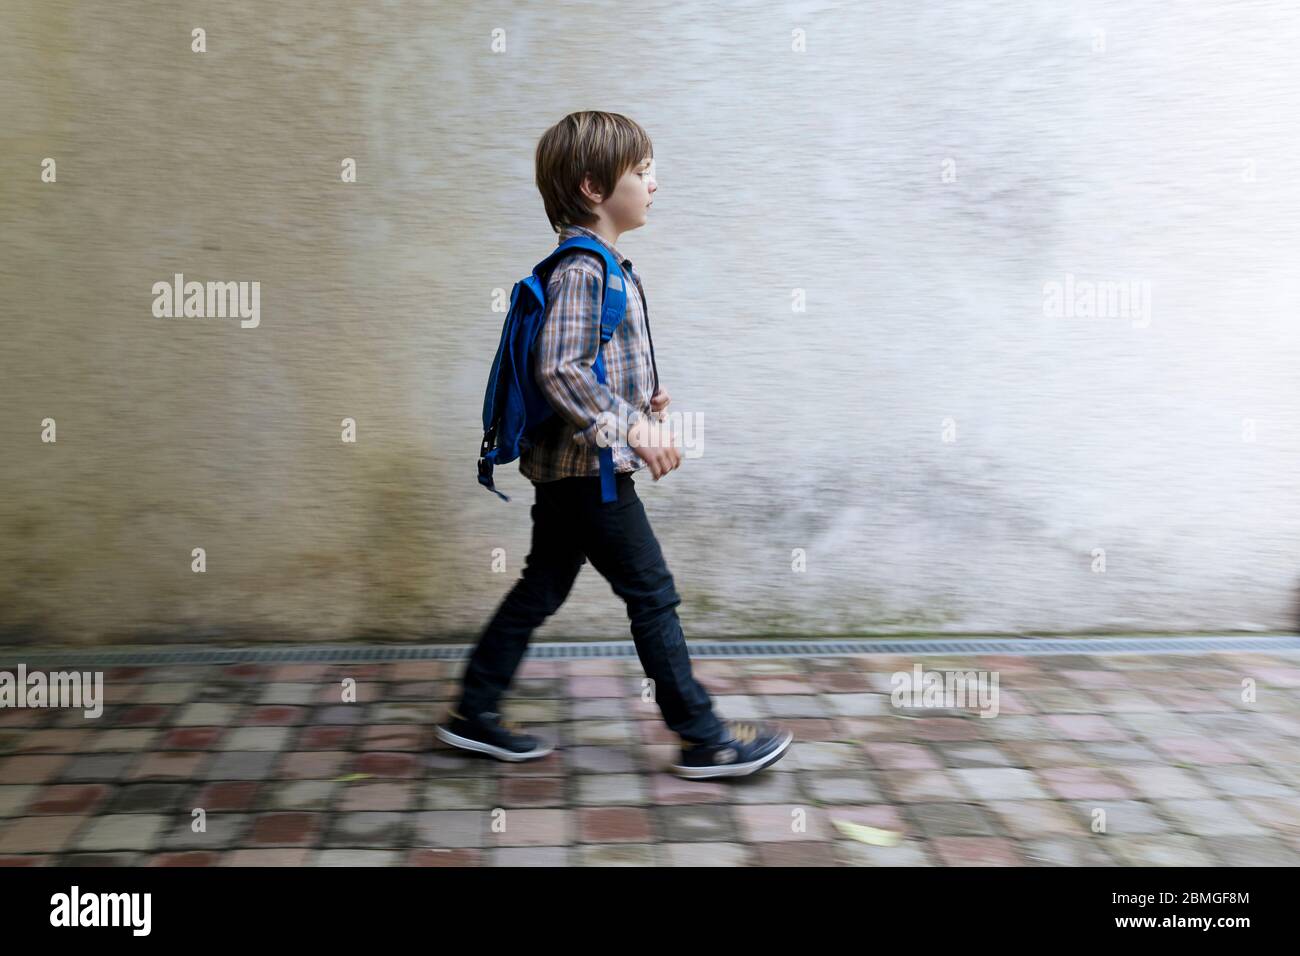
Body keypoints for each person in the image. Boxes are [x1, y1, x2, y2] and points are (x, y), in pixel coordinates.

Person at [437, 110, 792, 779]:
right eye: (643, 171)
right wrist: (630, 427)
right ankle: (702, 737)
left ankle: (472, 713)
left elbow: (588, 363)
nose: (655, 183)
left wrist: (643, 405)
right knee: (652, 593)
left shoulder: (602, 267)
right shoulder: (584, 271)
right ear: (596, 188)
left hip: (573, 470)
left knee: (540, 589)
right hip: (590, 474)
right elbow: (559, 368)